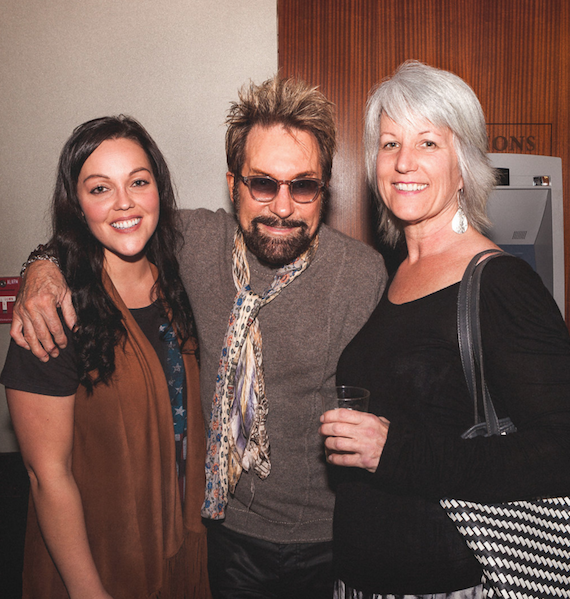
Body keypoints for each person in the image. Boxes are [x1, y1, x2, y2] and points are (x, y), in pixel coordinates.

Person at [10, 77, 387, 598]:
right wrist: (42, 266)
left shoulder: (363, 275)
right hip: (222, 536)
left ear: (325, 188)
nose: (282, 207)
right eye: (262, 184)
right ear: (232, 184)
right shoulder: (195, 242)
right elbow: (108, 221)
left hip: (329, 541)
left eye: (303, 186)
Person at [320, 60, 570, 598]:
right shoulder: (399, 273)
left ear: (465, 165)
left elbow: (562, 448)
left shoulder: (501, 283)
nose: (404, 161)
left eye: (428, 142)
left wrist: (397, 452)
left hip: (448, 584)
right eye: (389, 144)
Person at [1, 116, 211, 598]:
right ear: (76, 205)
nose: (124, 203)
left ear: (159, 188)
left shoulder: (185, 283)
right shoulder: (51, 310)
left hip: (186, 552)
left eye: (139, 181)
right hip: (97, 561)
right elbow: (46, 476)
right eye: (100, 188)